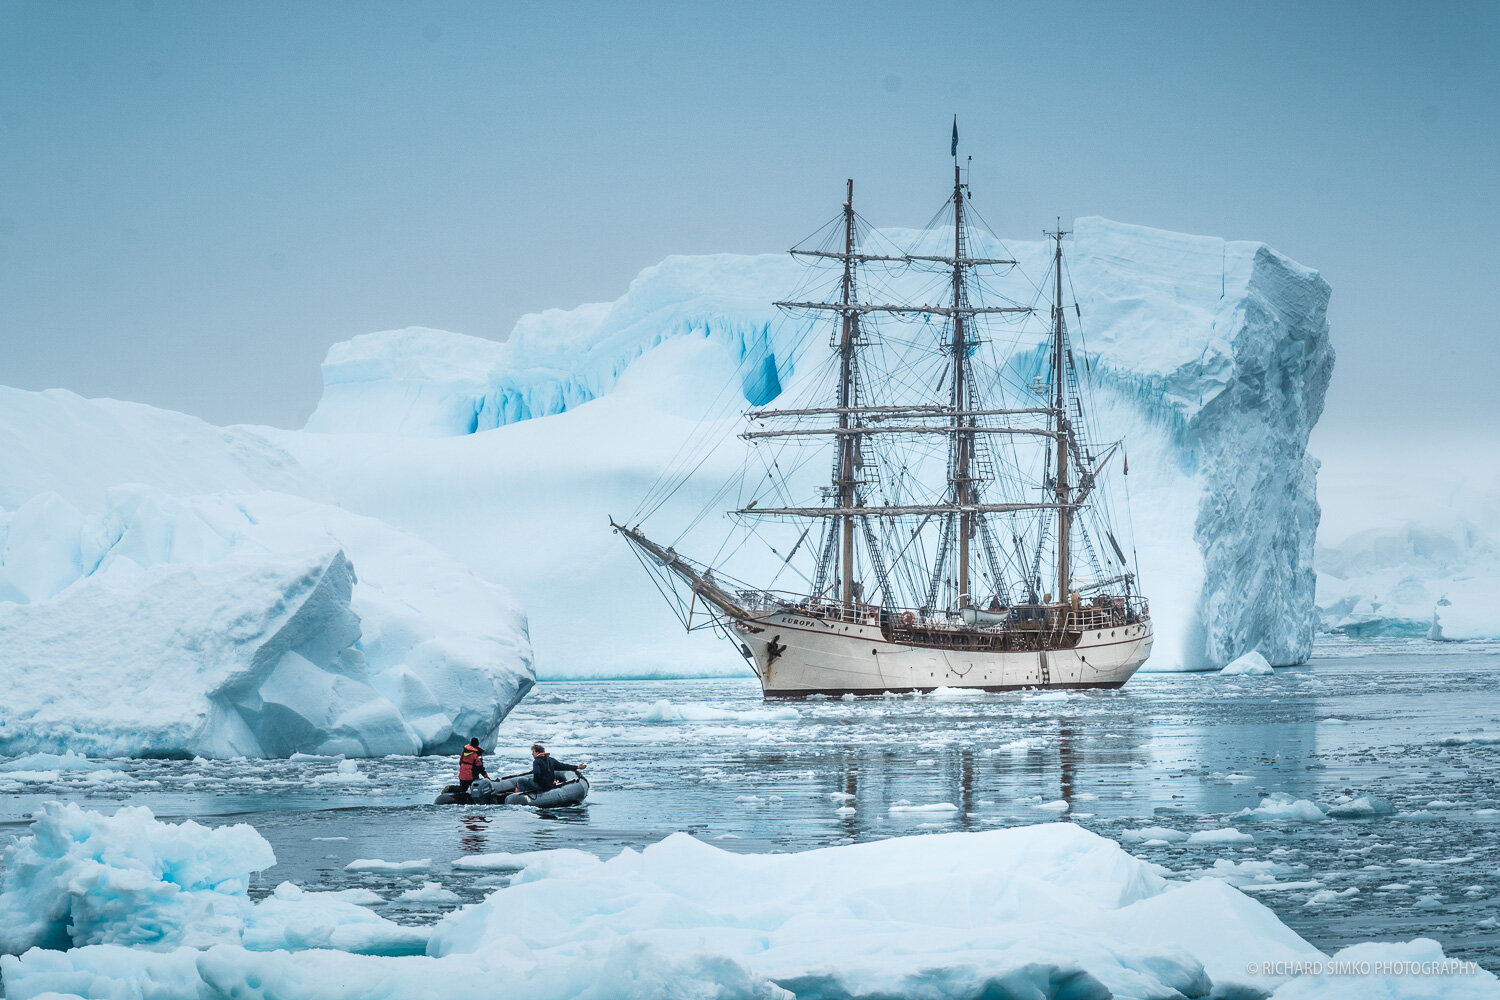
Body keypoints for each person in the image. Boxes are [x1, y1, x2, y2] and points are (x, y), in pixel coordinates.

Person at [509, 743, 586, 798]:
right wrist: (577, 767)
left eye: (533, 752)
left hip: (540, 786)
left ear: (537, 752)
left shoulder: (536, 761)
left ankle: (522, 796)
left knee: (520, 780)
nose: (532, 754)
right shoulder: (551, 760)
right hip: (549, 784)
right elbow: (563, 766)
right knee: (530, 780)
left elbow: (537, 774)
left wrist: (536, 784)